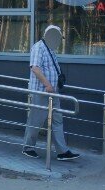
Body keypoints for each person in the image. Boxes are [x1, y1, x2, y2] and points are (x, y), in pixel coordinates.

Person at [23, 24, 80, 161]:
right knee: (36, 120)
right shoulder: (39, 47)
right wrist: (47, 84)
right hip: (41, 91)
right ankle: (28, 147)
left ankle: (62, 151)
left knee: (57, 120)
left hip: (53, 92)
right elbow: (35, 68)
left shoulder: (50, 50)